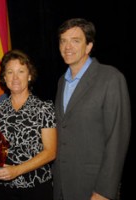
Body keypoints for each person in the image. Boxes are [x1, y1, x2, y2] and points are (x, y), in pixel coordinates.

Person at [53, 18, 131, 200]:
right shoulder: (61, 82)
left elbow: (117, 138)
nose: (67, 46)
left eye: (75, 40)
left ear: (88, 46)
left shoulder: (111, 78)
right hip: (62, 186)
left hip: (94, 187)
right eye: (63, 41)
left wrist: (105, 190)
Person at [0, 49, 57, 200]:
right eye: (10, 72)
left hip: (36, 188)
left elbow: (50, 152)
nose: (15, 77)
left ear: (29, 76)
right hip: (3, 189)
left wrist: (17, 170)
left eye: (21, 71)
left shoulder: (44, 108)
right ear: (4, 77)